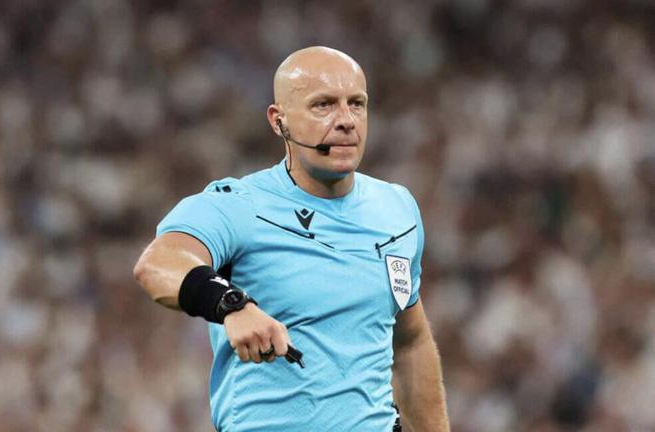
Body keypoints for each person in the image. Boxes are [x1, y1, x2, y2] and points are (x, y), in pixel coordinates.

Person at [133, 46, 449, 432]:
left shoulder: (397, 209)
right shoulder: (239, 205)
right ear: (278, 120)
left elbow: (410, 342)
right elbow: (158, 263)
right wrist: (230, 304)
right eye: (323, 105)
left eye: (357, 104)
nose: (346, 120)